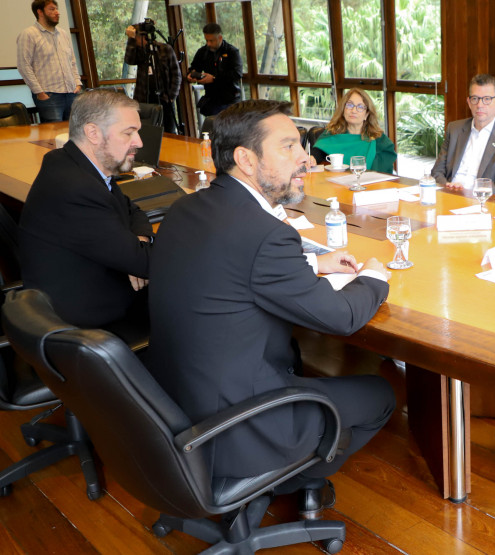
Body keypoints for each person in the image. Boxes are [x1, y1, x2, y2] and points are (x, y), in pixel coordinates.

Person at [148, 99, 394, 520]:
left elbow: (227, 268)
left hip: (172, 401)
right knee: (382, 394)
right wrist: (375, 278)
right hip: (236, 423)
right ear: (245, 159)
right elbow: (342, 318)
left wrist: (313, 263)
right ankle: (294, 478)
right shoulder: (264, 235)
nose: (304, 157)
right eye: (289, 147)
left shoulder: (187, 207)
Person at [18, 89, 153, 334]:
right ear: (93, 133)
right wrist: (138, 255)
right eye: (129, 133)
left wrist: (140, 240)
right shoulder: (77, 188)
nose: (139, 142)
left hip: (87, 295)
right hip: (88, 330)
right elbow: (145, 263)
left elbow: (133, 210)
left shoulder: (68, 162)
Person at [431, 74, 495, 197]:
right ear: (469, 102)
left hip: (482, 202)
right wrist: (447, 186)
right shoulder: (454, 129)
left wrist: (473, 191)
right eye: (475, 99)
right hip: (449, 196)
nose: (480, 105)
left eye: (487, 99)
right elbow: (437, 171)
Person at [16, 0, 83, 122]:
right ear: (40, 12)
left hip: (71, 92)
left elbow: (72, 61)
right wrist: (40, 92)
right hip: (49, 95)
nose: (57, 12)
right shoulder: (29, 34)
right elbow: (24, 66)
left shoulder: (63, 34)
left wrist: (77, 83)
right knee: (53, 136)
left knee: (74, 133)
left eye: (57, 9)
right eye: (52, 9)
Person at [312, 88, 397, 174]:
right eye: (350, 105)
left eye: (360, 107)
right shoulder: (332, 132)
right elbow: (318, 151)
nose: (353, 111)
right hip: (337, 183)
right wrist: (312, 158)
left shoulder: (379, 140)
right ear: (343, 109)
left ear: (366, 114)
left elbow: (383, 174)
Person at [124, 21, 182, 134]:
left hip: (165, 98)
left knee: (169, 132)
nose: (135, 41)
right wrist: (130, 40)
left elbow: (176, 74)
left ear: (142, 36)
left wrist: (171, 96)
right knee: (148, 132)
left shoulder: (165, 49)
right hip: (144, 98)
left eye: (135, 38)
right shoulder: (140, 52)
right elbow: (129, 60)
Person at [186, 23, 242, 117]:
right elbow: (194, 67)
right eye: (207, 40)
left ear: (220, 38)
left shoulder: (232, 52)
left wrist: (214, 78)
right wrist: (191, 75)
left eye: (211, 41)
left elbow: (237, 74)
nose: (208, 44)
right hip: (212, 100)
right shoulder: (202, 52)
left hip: (229, 100)